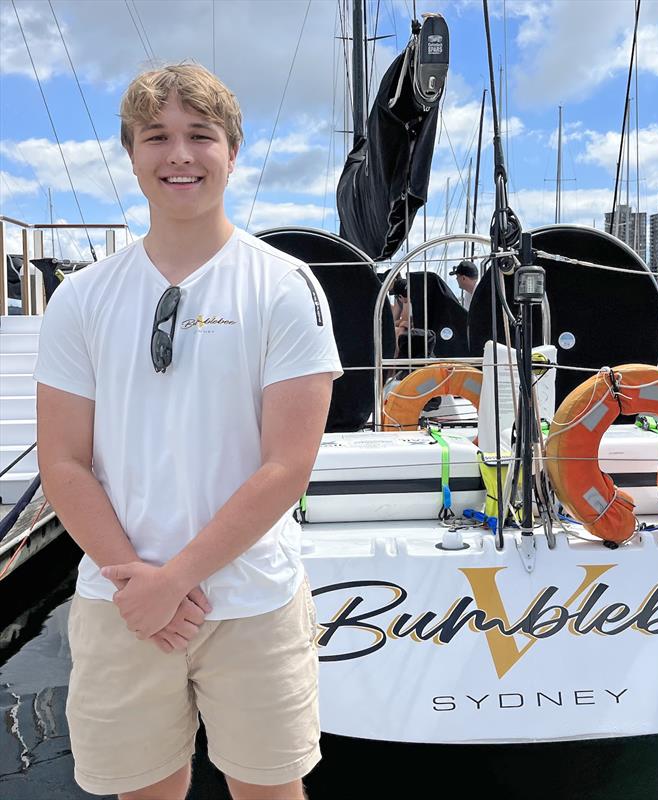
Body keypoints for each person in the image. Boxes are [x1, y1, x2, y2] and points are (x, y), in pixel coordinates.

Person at [34, 64, 342, 800]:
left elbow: (286, 466)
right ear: (131, 154)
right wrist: (138, 583)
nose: (179, 155)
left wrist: (174, 580)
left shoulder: (285, 285)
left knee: (271, 789)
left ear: (231, 152)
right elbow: (64, 461)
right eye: (156, 137)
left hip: (254, 604)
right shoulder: (81, 299)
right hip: (121, 601)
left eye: (200, 136)